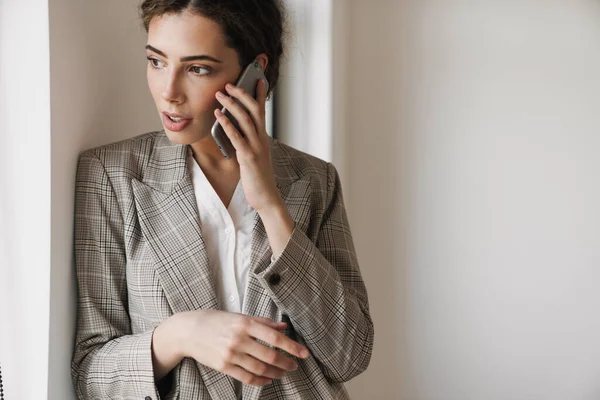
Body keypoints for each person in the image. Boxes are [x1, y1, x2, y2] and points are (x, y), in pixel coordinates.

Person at [70, 0, 374, 399]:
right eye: (157, 61)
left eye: (197, 68)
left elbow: (349, 355)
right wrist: (181, 335)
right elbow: (91, 374)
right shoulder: (111, 176)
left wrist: (269, 203)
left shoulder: (314, 180)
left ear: (254, 72)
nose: (169, 91)